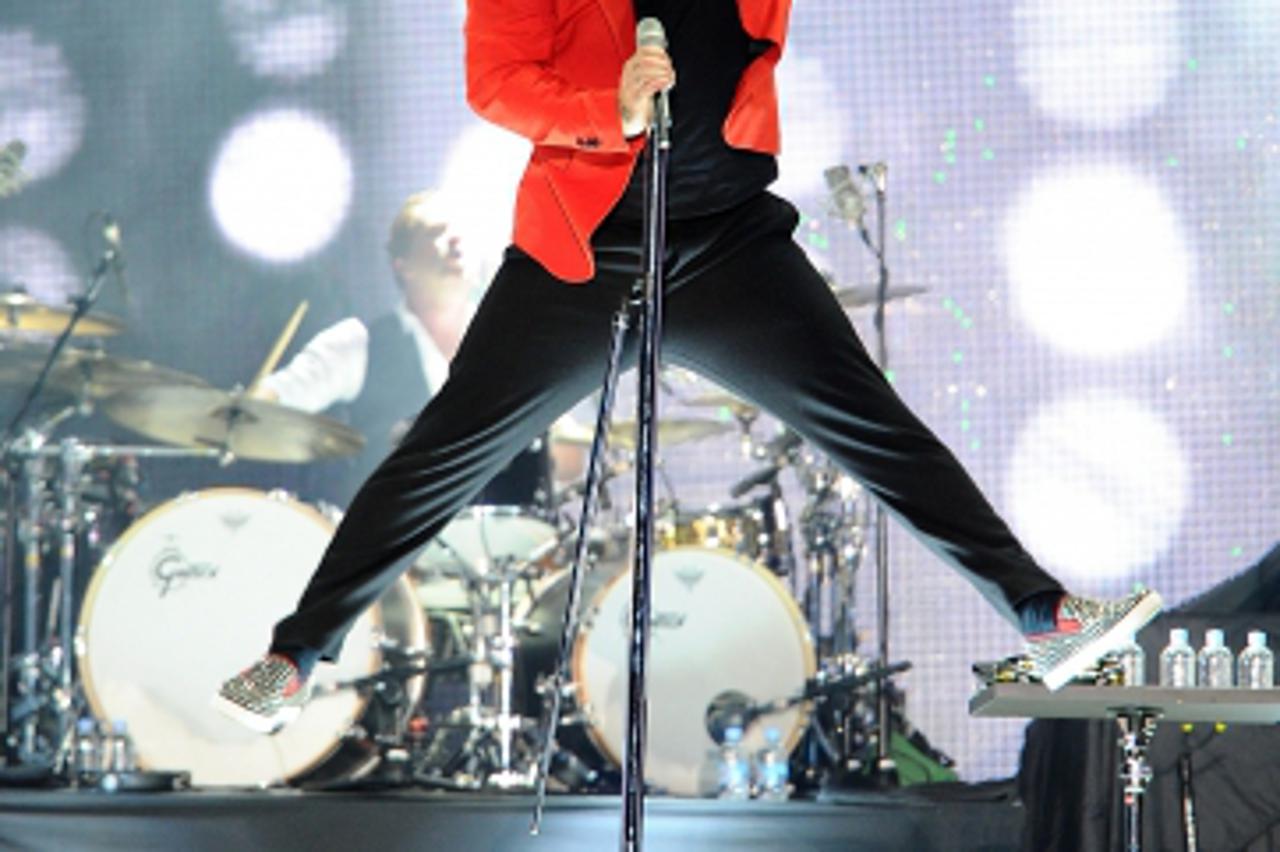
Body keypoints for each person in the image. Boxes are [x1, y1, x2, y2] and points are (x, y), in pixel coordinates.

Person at [215, 0, 1162, 734]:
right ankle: (295, 658)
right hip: (587, 246)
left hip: (729, 242)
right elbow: (495, 80)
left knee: (876, 429)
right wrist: (608, 108)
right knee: (444, 451)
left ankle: (1044, 617)